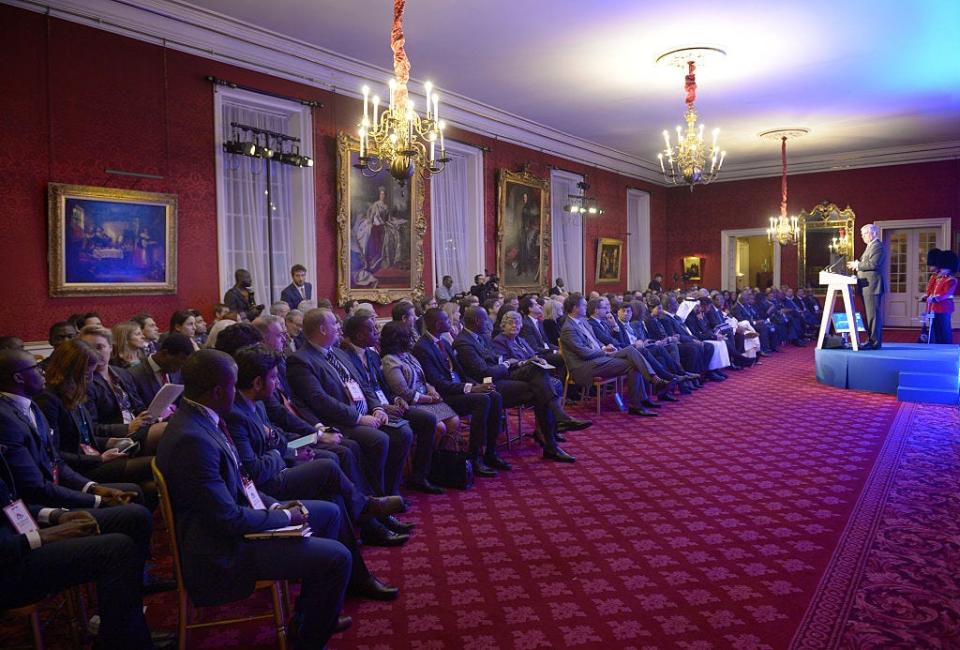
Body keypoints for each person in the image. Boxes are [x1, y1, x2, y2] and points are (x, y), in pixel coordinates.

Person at [155, 350, 353, 646]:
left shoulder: (201, 418)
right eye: (234, 386)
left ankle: (309, 616)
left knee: (330, 513)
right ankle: (310, 640)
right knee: (338, 558)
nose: (237, 393)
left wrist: (274, 505)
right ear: (218, 390)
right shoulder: (192, 439)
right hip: (223, 551)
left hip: (232, 526)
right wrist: (285, 517)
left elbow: (240, 480)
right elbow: (227, 519)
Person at [225, 344, 403, 599]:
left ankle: (356, 578)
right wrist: (280, 453)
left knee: (334, 499)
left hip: (279, 467)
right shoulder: (236, 414)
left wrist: (287, 450)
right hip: (266, 489)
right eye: (274, 378)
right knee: (328, 466)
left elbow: (277, 437)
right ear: (256, 382)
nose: (277, 383)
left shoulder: (256, 403)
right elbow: (253, 469)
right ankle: (363, 508)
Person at [0, 447, 154, 648]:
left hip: (19, 541)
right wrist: (43, 536)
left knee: (131, 521)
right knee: (116, 549)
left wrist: (57, 515)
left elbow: (11, 506)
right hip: (8, 567)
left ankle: (127, 633)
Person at [287, 309, 412, 500]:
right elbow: (320, 400)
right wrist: (359, 418)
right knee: (378, 439)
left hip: (365, 412)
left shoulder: (338, 352)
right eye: (334, 324)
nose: (339, 327)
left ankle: (391, 492)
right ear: (322, 329)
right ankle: (376, 501)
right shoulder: (301, 360)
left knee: (403, 432)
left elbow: (363, 384)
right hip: (340, 421)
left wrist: (377, 408)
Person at [34, 339, 156, 493]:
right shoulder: (49, 400)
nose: (91, 379)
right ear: (68, 371)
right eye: (86, 374)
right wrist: (99, 459)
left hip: (92, 457)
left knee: (151, 482)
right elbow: (54, 453)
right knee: (155, 464)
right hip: (78, 469)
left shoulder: (74, 392)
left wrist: (110, 442)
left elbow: (85, 435)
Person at [341, 317, 441, 497]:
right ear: (360, 335)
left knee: (430, 419)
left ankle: (420, 476)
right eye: (372, 330)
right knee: (405, 432)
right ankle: (390, 491)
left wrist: (394, 399)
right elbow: (361, 390)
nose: (377, 334)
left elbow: (381, 385)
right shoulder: (347, 356)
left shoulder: (371, 355)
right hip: (372, 409)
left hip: (388, 403)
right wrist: (382, 407)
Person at [412, 308, 503, 478]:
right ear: (438, 324)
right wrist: (471, 389)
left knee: (494, 395)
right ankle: (474, 457)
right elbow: (438, 383)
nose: (452, 322)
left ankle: (490, 452)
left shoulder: (444, 342)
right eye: (447, 319)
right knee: (481, 401)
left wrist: (477, 384)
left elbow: (460, 372)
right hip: (443, 396)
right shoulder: (422, 348)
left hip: (458, 387)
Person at [379, 321, 457, 493]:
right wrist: (430, 399)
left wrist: (432, 390)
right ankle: (420, 472)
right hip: (411, 404)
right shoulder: (389, 361)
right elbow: (404, 392)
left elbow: (423, 379)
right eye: (409, 336)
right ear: (399, 339)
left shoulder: (408, 355)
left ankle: (435, 462)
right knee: (439, 427)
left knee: (454, 421)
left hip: (425, 398)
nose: (413, 338)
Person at [558, 294, 659, 417]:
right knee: (632, 363)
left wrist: (604, 347)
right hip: (583, 366)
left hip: (597, 358)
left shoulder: (582, 322)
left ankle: (645, 391)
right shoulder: (569, 328)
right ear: (575, 308)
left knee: (630, 350)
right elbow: (583, 353)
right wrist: (604, 352)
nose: (587, 307)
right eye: (584, 305)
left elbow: (594, 341)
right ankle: (644, 394)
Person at [848, 223, 887, 349]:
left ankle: (875, 343)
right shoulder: (871, 246)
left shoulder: (877, 246)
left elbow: (873, 264)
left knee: (873, 316)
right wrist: (857, 275)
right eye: (862, 234)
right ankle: (871, 340)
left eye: (865, 234)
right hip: (866, 285)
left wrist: (857, 265)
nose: (862, 237)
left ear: (873, 233)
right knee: (870, 315)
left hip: (872, 286)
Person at [129, 334, 194, 406]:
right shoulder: (133, 375)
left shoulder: (177, 371)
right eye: (177, 364)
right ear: (164, 353)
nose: (179, 369)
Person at [923, 249, 958, 344]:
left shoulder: (951, 280)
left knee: (944, 330)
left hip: (944, 308)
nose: (940, 270)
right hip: (933, 307)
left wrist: (936, 298)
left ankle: (947, 348)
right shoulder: (938, 277)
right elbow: (932, 290)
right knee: (934, 330)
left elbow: (946, 294)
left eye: (942, 268)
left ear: (949, 267)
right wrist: (927, 297)